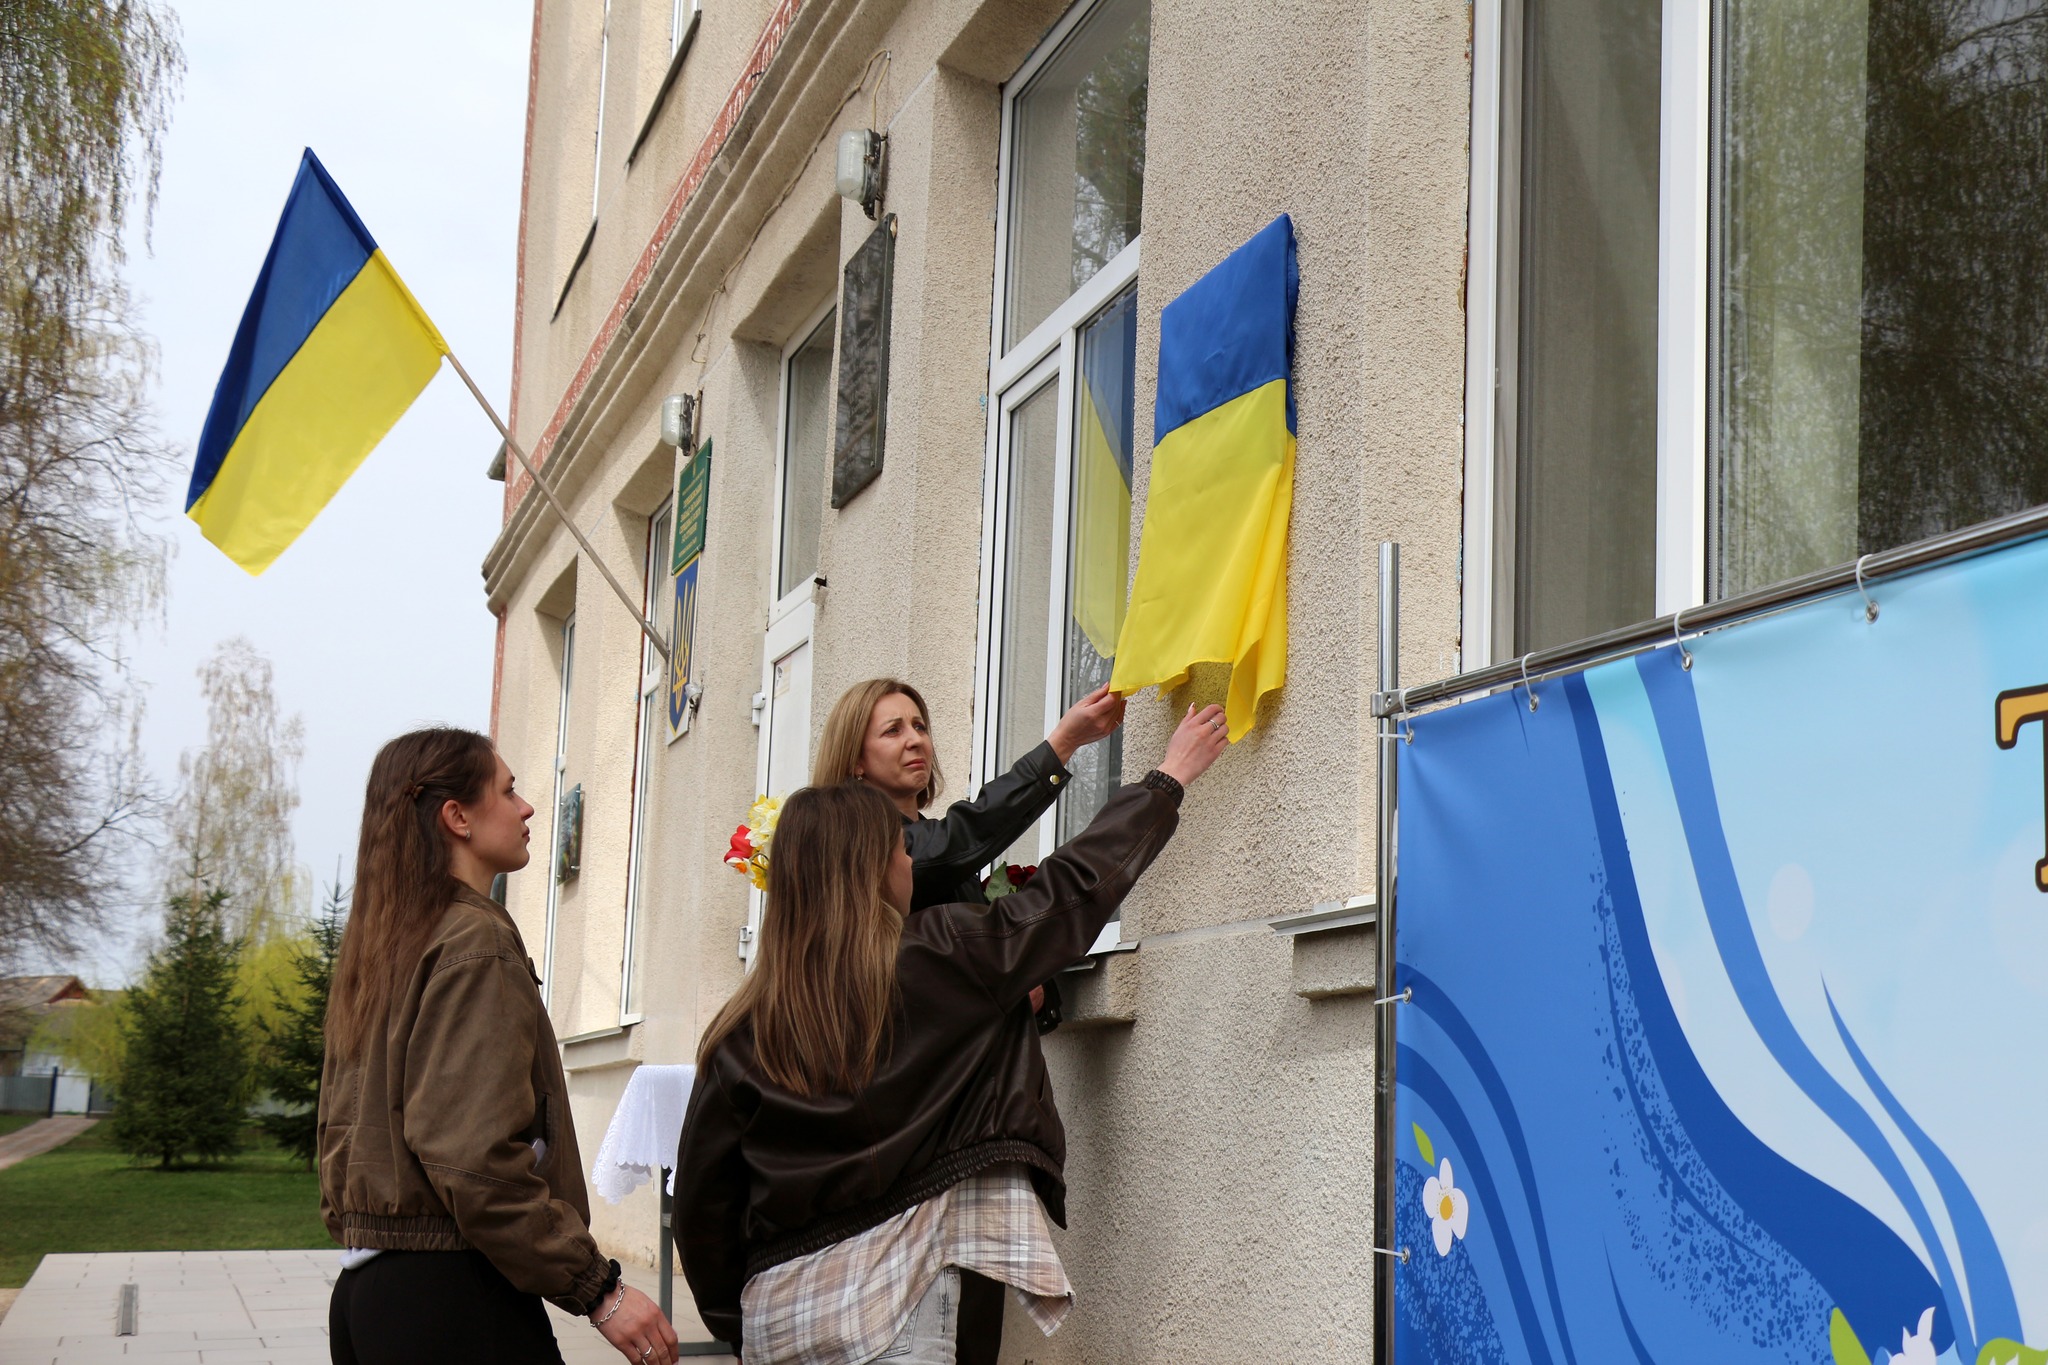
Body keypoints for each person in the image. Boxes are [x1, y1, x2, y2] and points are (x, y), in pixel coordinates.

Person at [678, 703, 1232, 1365]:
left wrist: (744, 1322)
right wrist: (1165, 781)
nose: (909, 865)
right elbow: (1065, 895)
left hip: (782, 1315)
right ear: (868, 868)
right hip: (902, 1301)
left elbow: (704, 1208)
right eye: (899, 850)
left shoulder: (740, 1027)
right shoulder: (937, 954)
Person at [318, 726, 679, 1365]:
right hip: (450, 1299)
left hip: (369, 1297)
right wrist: (599, 1289)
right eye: (508, 791)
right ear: (457, 817)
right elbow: (472, 1158)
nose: (528, 807)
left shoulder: (385, 945)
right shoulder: (471, 943)